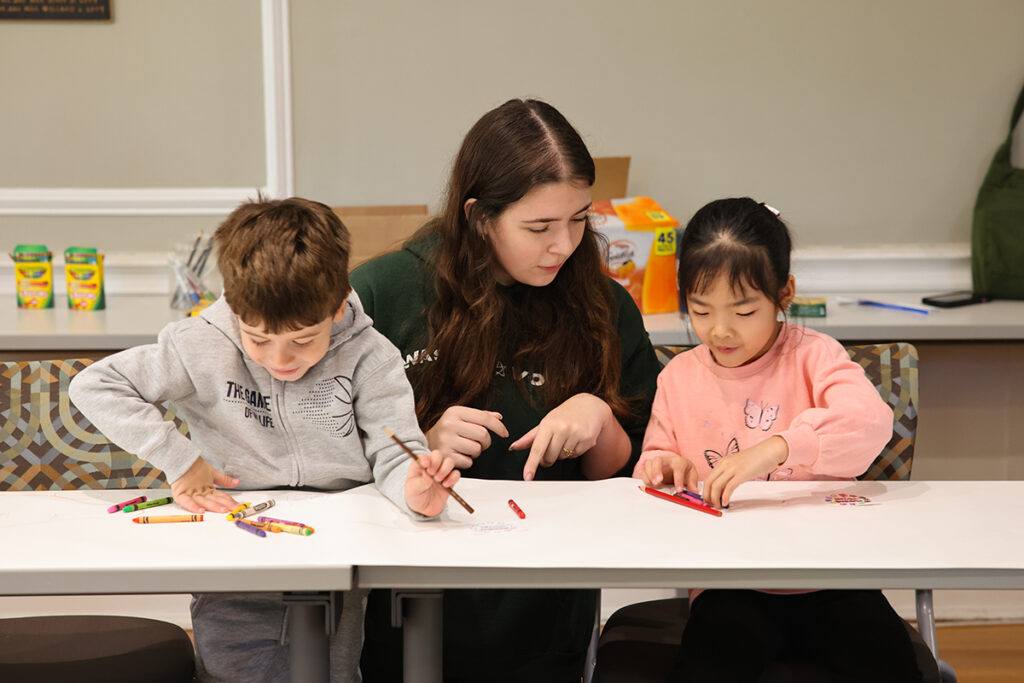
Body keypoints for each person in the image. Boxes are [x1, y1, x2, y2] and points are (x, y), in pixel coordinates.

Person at [69, 196, 459, 683]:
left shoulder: (369, 356)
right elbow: (95, 385)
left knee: (332, 674)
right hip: (233, 552)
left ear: (338, 308)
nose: (280, 359)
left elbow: (393, 448)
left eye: (302, 340)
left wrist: (416, 489)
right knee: (232, 670)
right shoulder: (199, 344)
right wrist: (180, 459)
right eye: (257, 339)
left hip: (334, 556)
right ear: (234, 307)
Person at [351, 99, 662, 682]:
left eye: (579, 220)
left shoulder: (604, 305)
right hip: (407, 609)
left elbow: (641, 471)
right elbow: (311, 446)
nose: (565, 245)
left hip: (549, 612)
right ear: (478, 215)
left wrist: (600, 419)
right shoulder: (382, 292)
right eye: (539, 227)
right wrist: (415, 443)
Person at [635, 197, 927, 682]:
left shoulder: (815, 357)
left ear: (783, 294)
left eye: (744, 310)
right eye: (701, 310)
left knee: (890, 665)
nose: (720, 330)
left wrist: (779, 446)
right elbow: (654, 459)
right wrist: (663, 466)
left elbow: (871, 423)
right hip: (728, 582)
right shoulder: (680, 377)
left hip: (833, 577)